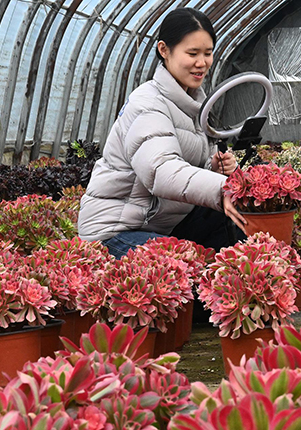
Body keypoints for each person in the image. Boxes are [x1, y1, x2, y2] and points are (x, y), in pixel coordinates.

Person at [77, 8, 249, 258]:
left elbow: (187, 173)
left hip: (162, 226)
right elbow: (160, 170)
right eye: (192, 53)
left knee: (235, 227)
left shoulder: (194, 105)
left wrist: (213, 168)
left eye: (208, 53)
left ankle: (230, 294)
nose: (202, 63)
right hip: (117, 232)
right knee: (177, 265)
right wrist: (219, 187)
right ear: (164, 50)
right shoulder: (147, 103)